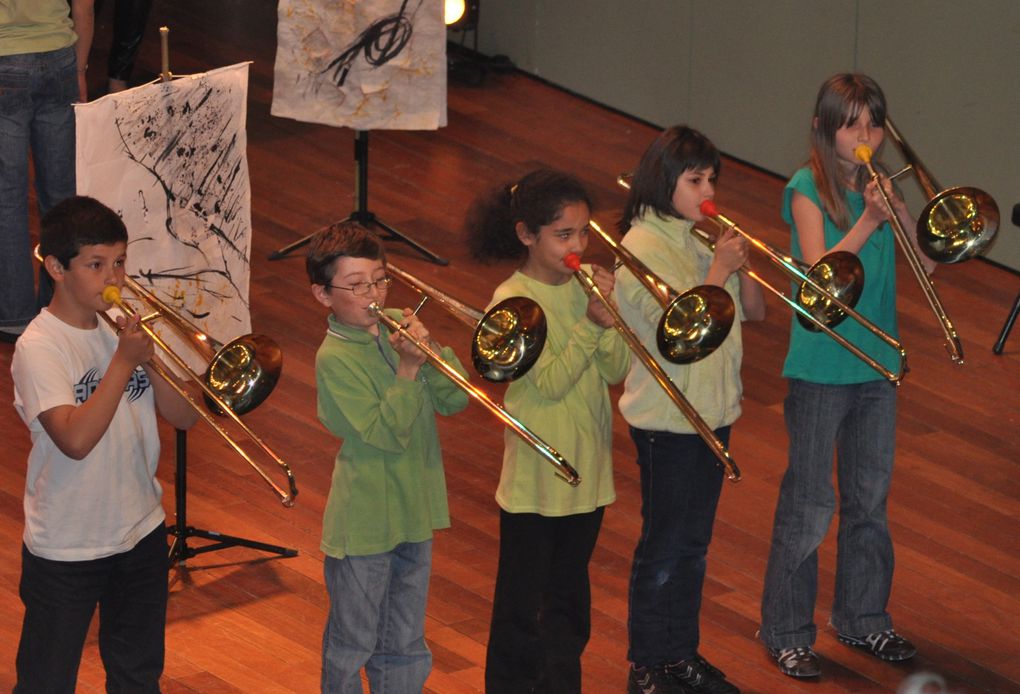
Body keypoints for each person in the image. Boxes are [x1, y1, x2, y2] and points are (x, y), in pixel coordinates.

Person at [759, 73, 929, 678]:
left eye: (873, 124)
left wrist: (907, 215)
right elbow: (817, 277)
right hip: (821, 366)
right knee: (808, 504)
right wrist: (867, 221)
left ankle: (863, 619)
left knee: (869, 500)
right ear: (823, 126)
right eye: (852, 123)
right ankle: (785, 629)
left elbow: (931, 259)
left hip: (877, 367)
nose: (865, 136)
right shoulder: (807, 188)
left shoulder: (880, 187)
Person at [11, 195, 198, 692]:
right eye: (95, 265)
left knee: (137, 675)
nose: (113, 279)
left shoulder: (121, 332)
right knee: (46, 681)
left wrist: (151, 361)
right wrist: (121, 363)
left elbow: (184, 416)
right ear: (55, 267)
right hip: (68, 545)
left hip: (140, 531)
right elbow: (74, 439)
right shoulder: (39, 347)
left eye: (119, 262)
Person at [467, 169, 630, 693]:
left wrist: (610, 320)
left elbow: (615, 370)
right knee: (521, 612)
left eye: (584, 233)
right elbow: (554, 382)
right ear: (526, 235)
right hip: (536, 484)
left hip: (586, 473)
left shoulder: (582, 292)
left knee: (568, 607)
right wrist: (591, 324)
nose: (578, 246)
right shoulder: (510, 301)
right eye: (564, 235)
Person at [616, 126, 765, 694]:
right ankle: (647, 664)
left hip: (713, 412)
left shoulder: (697, 238)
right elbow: (683, 332)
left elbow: (753, 314)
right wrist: (718, 271)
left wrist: (740, 267)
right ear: (664, 180)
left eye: (712, 179)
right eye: (696, 179)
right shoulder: (640, 246)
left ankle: (680, 654)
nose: (708, 191)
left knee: (692, 548)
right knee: (664, 546)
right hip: (667, 423)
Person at [306, 221, 469, 693]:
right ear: (323, 295)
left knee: (405, 641)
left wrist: (430, 349)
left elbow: (454, 400)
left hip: (413, 509)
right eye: (356, 286)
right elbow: (385, 433)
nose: (373, 294)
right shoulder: (333, 358)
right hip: (364, 522)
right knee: (352, 642)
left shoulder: (395, 325)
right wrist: (407, 369)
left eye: (379, 279)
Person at [0, 0, 94, 342]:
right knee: (60, 196)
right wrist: (80, 69)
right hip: (58, 54)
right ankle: (60, 304)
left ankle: (14, 315)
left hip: (4, 54)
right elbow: (84, 5)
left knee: (7, 198)